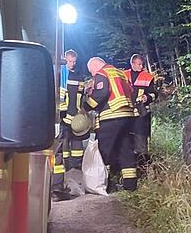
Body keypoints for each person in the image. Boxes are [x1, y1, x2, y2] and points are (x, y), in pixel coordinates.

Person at [84, 57, 138, 192]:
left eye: (91, 71)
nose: (92, 75)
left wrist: (86, 106)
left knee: (104, 149)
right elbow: (131, 91)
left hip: (111, 115)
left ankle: (105, 185)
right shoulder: (120, 73)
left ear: (96, 66)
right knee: (125, 149)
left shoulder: (102, 73)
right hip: (128, 116)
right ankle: (130, 185)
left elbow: (101, 94)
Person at [51, 50, 86, 201]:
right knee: (59, 150)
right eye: (69, 61)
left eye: (73, 62)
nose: (71, 64)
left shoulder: (77, 75)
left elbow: (78, 98)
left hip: (71, 118)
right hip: (60, 118)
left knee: (73, 148)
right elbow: (62, 99)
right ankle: (57, 187)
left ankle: (70, 175)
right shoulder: (58, 74)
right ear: (63, 60)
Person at [125, 54, 158, 170]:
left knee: (141, 141)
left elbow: (154, 93)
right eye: (138, 64)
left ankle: (143, 169)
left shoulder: (147, 77)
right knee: (126, 141)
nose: (141, 66)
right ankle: (128, 168)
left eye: (142, 64)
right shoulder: (124, 75)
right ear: (132, 64)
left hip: (141, 115)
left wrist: (147, 98)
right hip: (126, 114)